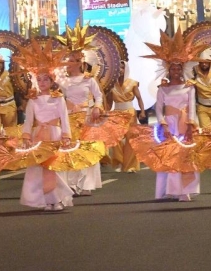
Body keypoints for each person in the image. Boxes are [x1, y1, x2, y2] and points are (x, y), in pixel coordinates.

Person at [15, 41, 74, 212]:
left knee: (54, 167)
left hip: (54, 135)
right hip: (38, 136)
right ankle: (45, 200)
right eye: (39, 79)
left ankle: (57, 198)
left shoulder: (58, 98)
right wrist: (26, 137)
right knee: (38, 169)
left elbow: (64, 119)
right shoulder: (33, 101)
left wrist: (66, 136)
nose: (42, 82)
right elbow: (28, 121)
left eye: (45, 79)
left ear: (51, 80)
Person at [145, 30, 201, 202]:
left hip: (184, 122)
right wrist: (163, 124)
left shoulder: (189, 87)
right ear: (168, 70)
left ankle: (185, 190)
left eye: (178, 67)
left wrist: (191, 125)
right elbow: (159, 108)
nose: (176, 70)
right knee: (168, 155)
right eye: (173, 68)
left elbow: (192, 107)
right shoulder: (163, 89)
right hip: (168, 123)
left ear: (182, 69)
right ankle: (167, 190)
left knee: (184, 155)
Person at [61, 49, 104, 196]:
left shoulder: (88, 79)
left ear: (79, 63)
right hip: (69, 117)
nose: (68, 64)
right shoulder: (63, 81)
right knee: (71, 150)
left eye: (71, 61)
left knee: (86, 150)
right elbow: (58, 97)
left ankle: (86, 184)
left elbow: (99, 96)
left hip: (85, 117)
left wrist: (97, 107)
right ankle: (71, 184)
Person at [108, 61, 144, 173]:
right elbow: (109, 101)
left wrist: (142, 111)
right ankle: (119, 161)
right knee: (115, 139)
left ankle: (131, 166)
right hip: (116, 113)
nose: (120, 70)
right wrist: (105, 112)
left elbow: (139, 98)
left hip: (130, 113)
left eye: (123, 67)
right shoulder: (111, 83)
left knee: (131, 139)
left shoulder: (133, 83)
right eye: (118, 67)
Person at [0, 60, 19, 138]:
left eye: (0, 63)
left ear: (3, 64)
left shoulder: (10, 74)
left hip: (9, 106)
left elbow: (18, 88)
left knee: (10, 130)